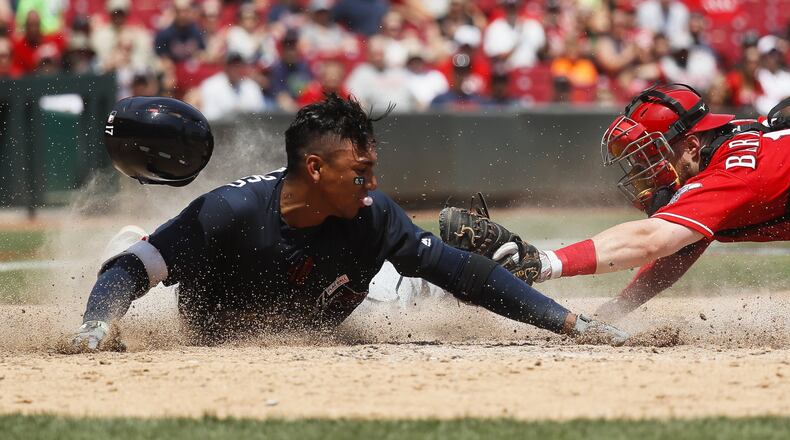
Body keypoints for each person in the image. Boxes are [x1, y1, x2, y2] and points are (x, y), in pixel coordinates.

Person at [72, 94, 629, 350]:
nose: (373, 183)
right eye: (361, 172)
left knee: (412, 291)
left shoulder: (373, 214)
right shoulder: (230, 211)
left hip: (331, 306)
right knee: (140, 255)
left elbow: (464, 273)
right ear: (316, 169)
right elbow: (131, 269)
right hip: (227, 326)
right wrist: (97, 325)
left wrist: (569, 323)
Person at [440, 83, 790, 320]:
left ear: (692, 146)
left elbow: (652, 240)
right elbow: (678, 249)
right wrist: (615, 311)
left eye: (653, 155)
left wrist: (542, 263)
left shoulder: (734, 173)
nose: (644, 169)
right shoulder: (727, 147)